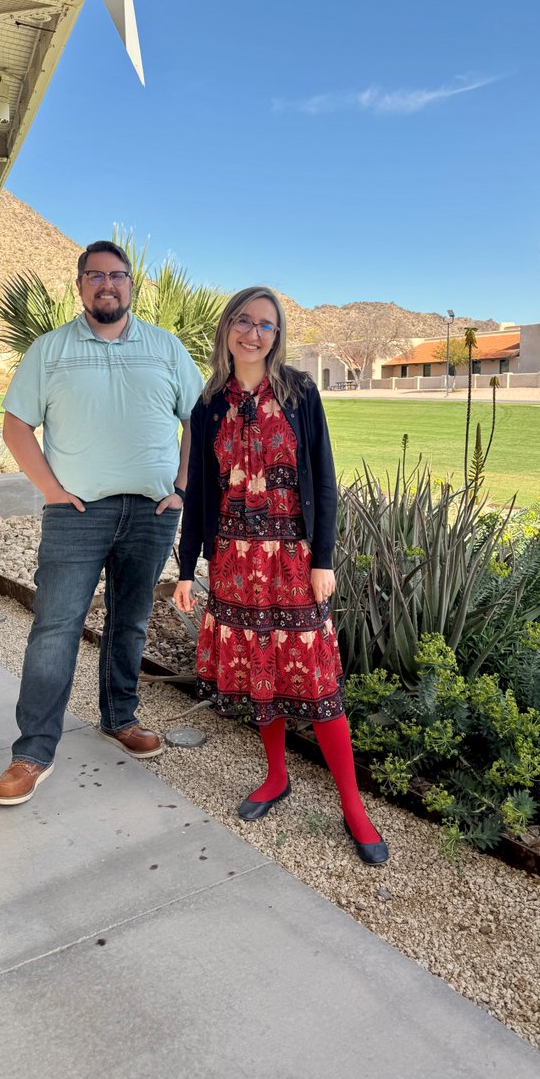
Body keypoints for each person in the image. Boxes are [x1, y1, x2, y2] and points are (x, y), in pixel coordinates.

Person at [173, 287, 389, 864]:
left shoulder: (300, 392)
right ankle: (276, 777)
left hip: (293, 559)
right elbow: (198, 495)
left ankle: (352, 805)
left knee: (317, 680)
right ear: (227, 329)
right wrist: (188, 569)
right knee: (256, 671)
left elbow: (323, 479)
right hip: (234, 563)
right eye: (243, 321)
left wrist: (325, 558)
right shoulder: (207, 405)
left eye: (265, 324)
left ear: (277, 334)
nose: (252, 332)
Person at [0, 241, 203, 806]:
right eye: (95, 276)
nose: (106, 285)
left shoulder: (165, 347)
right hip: (77, 515)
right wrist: (52, 492)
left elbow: (198, 420)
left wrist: (183, 485)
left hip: (151, 512)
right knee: (54, 627)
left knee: (130, 622)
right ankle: (32, 752)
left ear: (131, 285)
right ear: (80, 285)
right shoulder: (50, 350)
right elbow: (15, 425)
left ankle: (120, 716)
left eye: (117, 276)